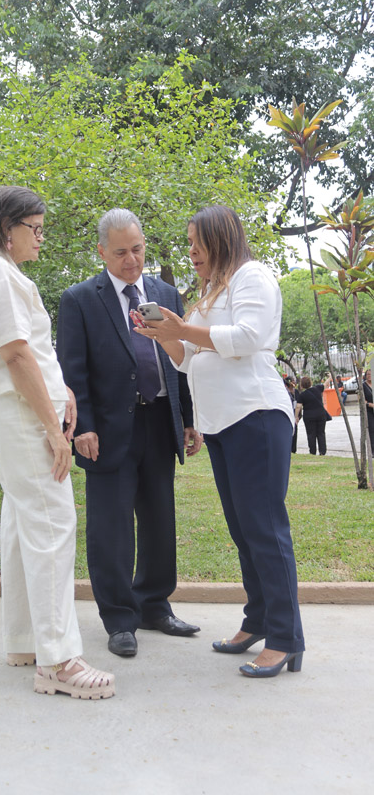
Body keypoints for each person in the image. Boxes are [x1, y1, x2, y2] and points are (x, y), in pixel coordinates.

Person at [135, 204, 305, 679]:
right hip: (224, 425)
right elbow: (187, 358)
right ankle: (257, 621)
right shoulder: (210, 291)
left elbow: (249, 337)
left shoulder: (253, 277)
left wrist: (184, 328)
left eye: (196, 243)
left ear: (220, 239)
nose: (190, 252)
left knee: (266, 530)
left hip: (256, 416)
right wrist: (161, 335)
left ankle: (287, 639)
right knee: (243, 531)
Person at [0, 185, 114, 699]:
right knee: (51, 521)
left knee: (23, 520)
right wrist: (53, 427)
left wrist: (61, 388)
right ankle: (59, 661)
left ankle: (25, 638)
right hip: (22, 414)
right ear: (9, 228)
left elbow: (32, 353)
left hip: (19, 408)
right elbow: (16, 355)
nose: (41, 238)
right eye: (36, 228)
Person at [57, 208, 201, 658]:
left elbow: (178, 362)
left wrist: (188, 418)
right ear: (102, 251)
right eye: (120, 252)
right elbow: (72, 370)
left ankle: (154, 604)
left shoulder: (166, 294)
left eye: (137, 249)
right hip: (108, 430)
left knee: (160, 519)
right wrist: (84, 428)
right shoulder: (80, 299)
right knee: (112, 527)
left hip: (160, 421)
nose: (132, 260)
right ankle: (120, 618)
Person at [296, 374, 332, 455]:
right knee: (321, 433)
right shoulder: (318, 388)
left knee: (311, 434)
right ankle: (322, 451)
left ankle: (312, 452)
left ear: (302, 385)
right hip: (321, 414)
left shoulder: (302, 395)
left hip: (309, 417)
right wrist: (329, 377)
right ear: (310, 382)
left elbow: (298, 406)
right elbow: (325, 384)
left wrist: (296, 417)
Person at [284, 376, 300, 453]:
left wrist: (298, 416)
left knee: (295, 432)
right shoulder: (285, 392)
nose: (294, 382)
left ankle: (293, 450)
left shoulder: (296, 392)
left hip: (295, 414)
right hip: (289, 413)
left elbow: (299, 403)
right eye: (293, 381)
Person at [363, 369, 374, 453]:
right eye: (368, 374)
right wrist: (370, 404)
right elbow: (361, 399)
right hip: (369, 410)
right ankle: (372, 451)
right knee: (371, 429)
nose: (369, 376)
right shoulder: (363, 386)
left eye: (371, 374)